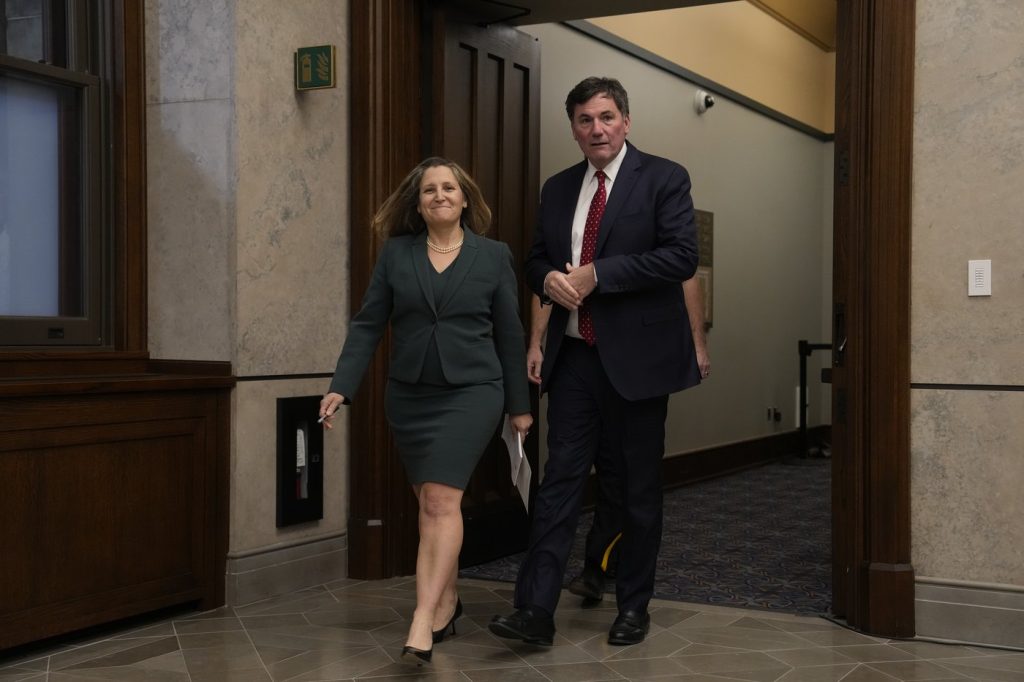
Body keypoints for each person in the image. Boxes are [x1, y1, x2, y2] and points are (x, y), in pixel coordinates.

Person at [490, 76, 700, 646]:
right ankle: (535, 611)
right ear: (574, 129)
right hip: (575, 357)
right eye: (585, 120)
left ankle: (633, 606)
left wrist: (598, 275)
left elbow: (681, 257)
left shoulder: (663, 177)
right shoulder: (558, 189)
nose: (597, 129)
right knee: (559, 483)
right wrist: (550, 278)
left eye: (606, 117)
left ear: (626, 121)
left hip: (638, 361)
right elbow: (534, 259)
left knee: (635, 489)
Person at [320, 157, 533, 666]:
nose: (439, 195)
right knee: (433, 507)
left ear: (465, 199)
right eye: (429, 190)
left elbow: (509, 333)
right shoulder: (397, 255)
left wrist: (519, 407)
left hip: (472, 393)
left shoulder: (493, 256)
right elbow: (369, 323)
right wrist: (341, 387)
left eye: (449, 188)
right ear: (418, 204)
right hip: (411, 396)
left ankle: (422, 616)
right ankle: (448, 600)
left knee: (440, 502)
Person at [526, 278, 710, 606]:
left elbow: (686, 274)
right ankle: (539, 603)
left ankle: (606, 574)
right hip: (578, 359)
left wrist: (697, 342)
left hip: (635, 361)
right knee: (565, 471)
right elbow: (548, 279)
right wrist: (536, 341)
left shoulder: (650, 229)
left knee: (627, 475)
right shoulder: (567, 227)